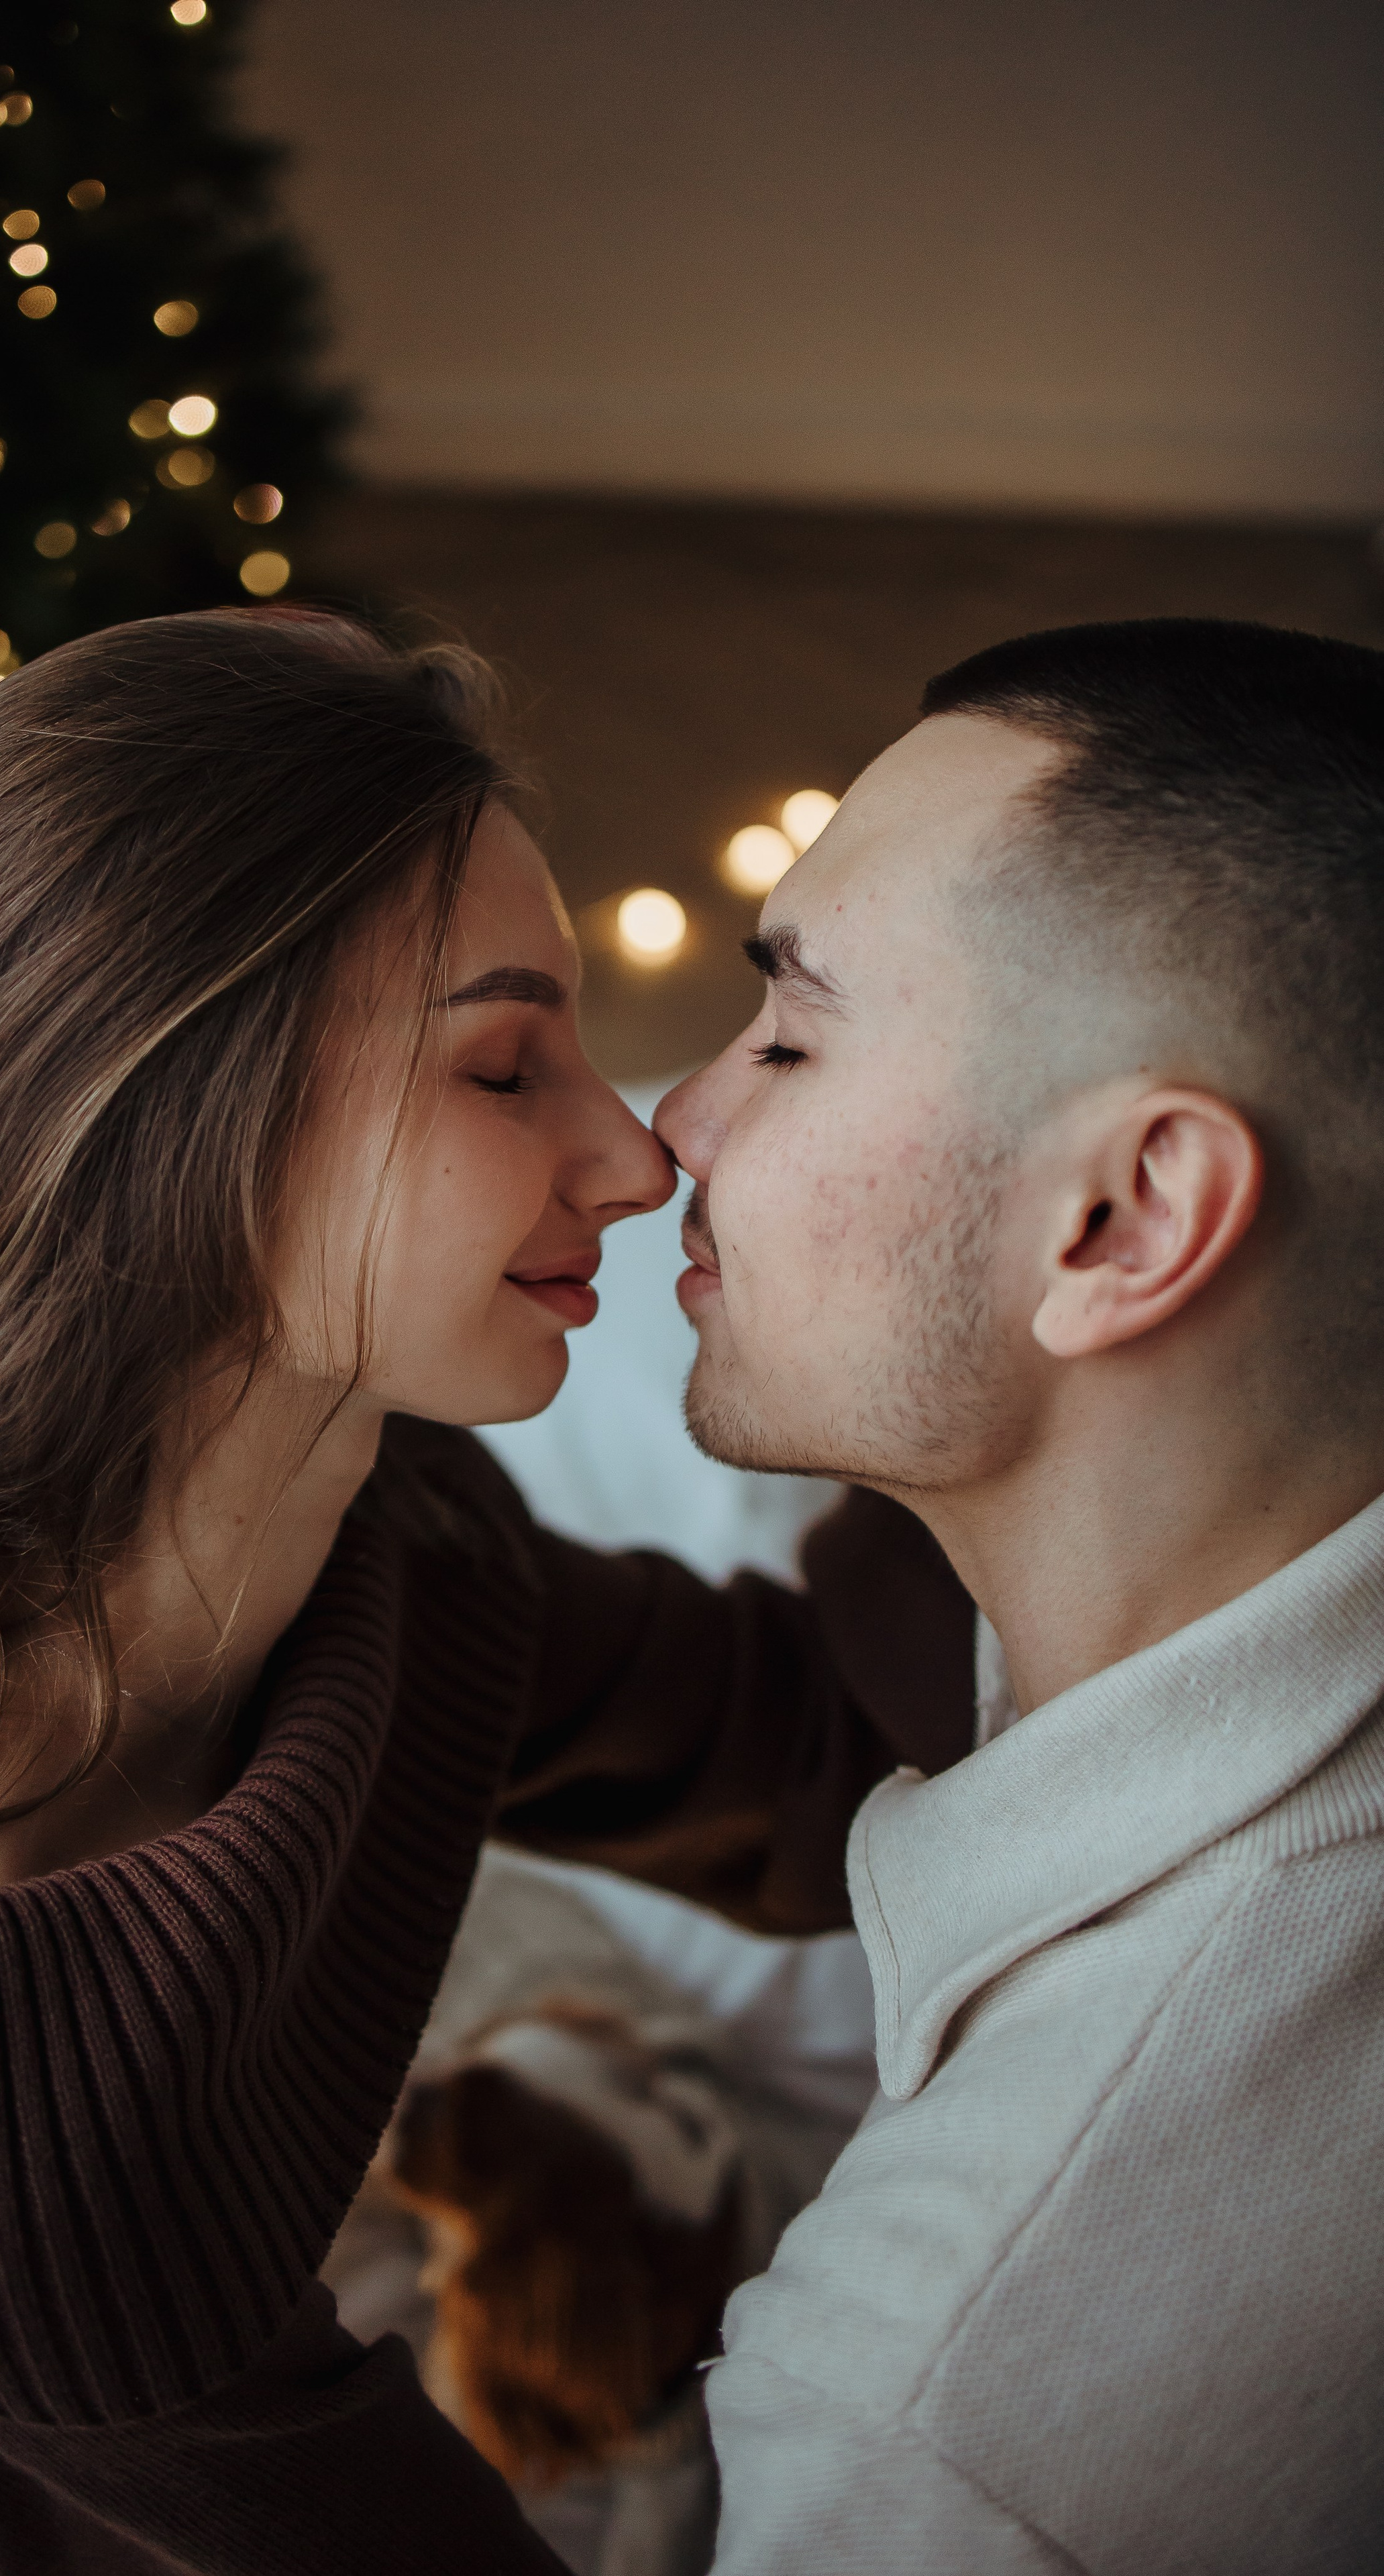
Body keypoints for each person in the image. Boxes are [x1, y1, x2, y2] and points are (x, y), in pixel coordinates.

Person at [0, 606, 975, 2576]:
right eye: (506, 1066)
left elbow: (810, 1758)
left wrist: (1053, 1353)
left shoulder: (378, 1521)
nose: (635, 1154)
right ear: (168, 1125)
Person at [657, 617, 1384, 2573]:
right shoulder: (977, 1612)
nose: (671, 1129)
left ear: (1124, 1218)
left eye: (789, 1037)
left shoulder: (939, 2421)